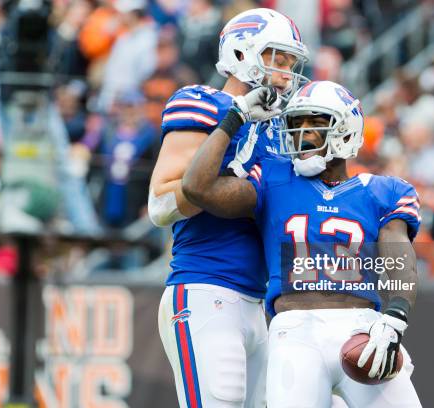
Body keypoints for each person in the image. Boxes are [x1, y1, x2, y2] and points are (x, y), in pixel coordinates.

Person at [182, 81, 422, 407]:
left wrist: (395, 317)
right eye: (297, 123)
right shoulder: (273, 178)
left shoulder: (383, 191)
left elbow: (397, 256)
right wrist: (235, 116)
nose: (303, 132)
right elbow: (197, 186)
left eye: (315, 122)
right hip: (294, 333)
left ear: (346, 129)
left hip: (364, 329)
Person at [149, 8, 308, 407]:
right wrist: (233, 133)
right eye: (279, 58)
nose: (287, 72)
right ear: (243, 53)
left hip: (259, 305)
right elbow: (160, 205)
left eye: (292, 62)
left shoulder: (280, 128)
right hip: (207, 289)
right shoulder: (204, 102)